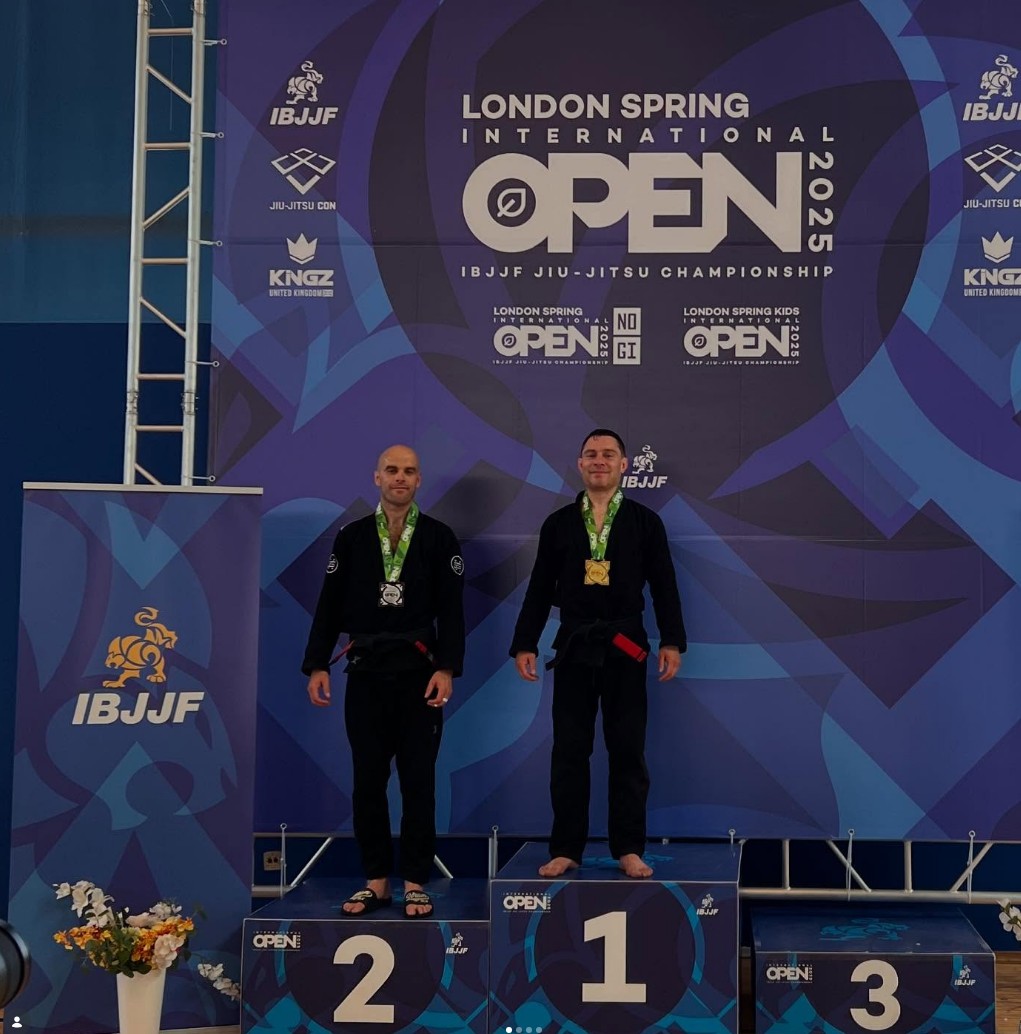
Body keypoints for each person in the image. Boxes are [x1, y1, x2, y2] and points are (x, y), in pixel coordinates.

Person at [510, 429, 686, 879]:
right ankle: (567, 848)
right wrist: (525, 642)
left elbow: (665, 585)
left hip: (626, 645)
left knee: (627, 750)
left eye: (609, 454)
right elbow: (538, 588)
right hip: (574, 645)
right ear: (580, 464)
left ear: (624, 465)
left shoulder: (645, 522)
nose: (599, 461)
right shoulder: (559, 524)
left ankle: (628, 847)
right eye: (591, 454)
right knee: (569, 750)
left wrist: (671, 640)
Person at [302, 444, 465, 917]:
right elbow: (329, 605)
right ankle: (376, 880)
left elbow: (452, 611)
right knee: (367, 781)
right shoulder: (352, 537)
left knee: (418, 781)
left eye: (409, 471)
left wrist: (446, 668)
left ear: (419, 480)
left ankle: (414, 881)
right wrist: (317, 664)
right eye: (392, 470)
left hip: (420, 673)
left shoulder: (439, 537)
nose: (400, 477)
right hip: (366, 672)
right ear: (377, 477)